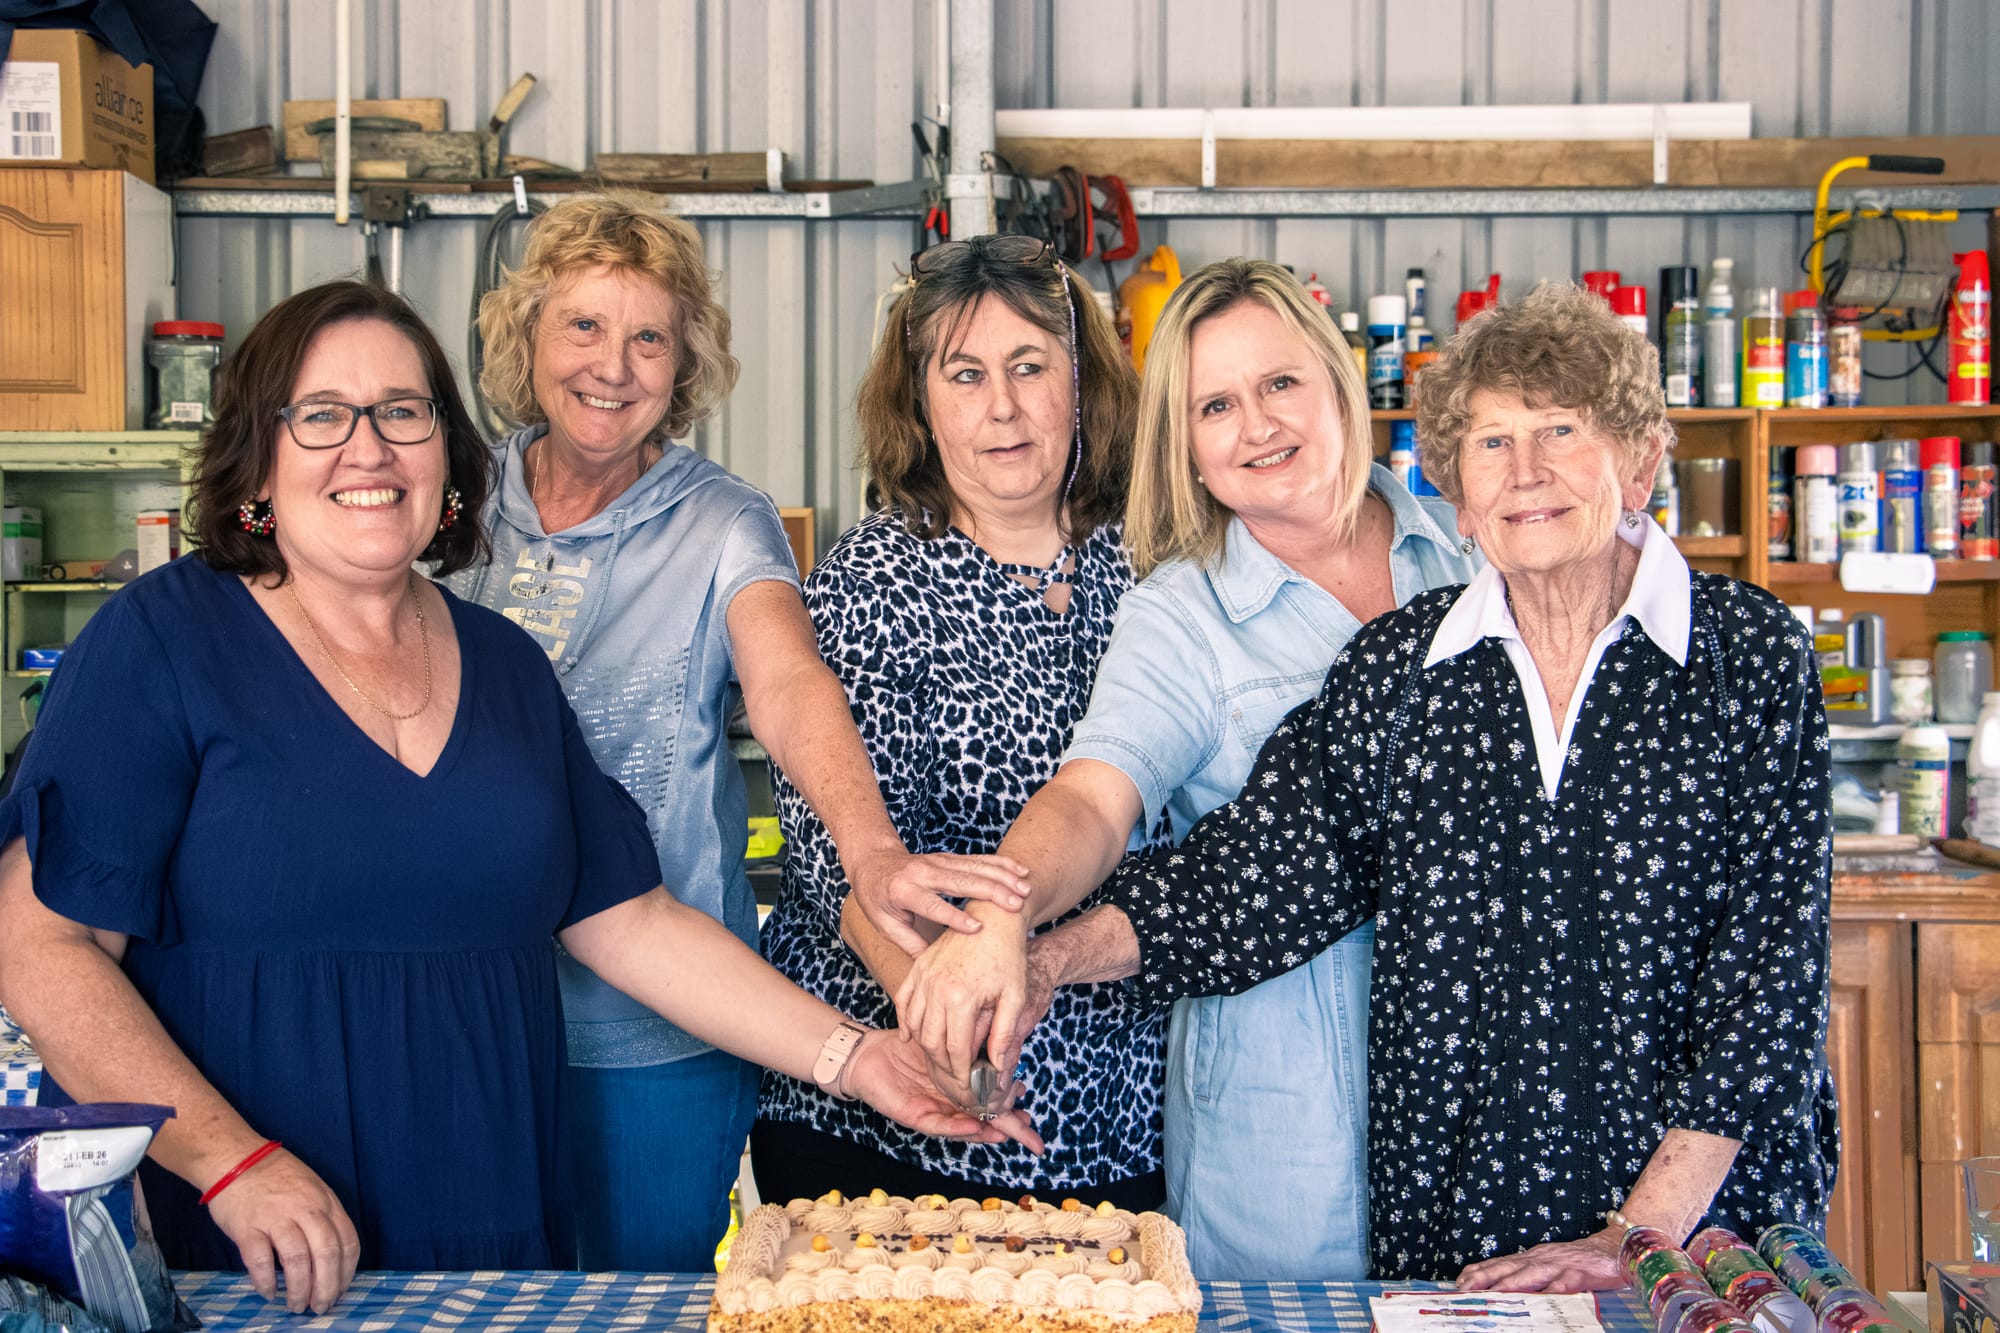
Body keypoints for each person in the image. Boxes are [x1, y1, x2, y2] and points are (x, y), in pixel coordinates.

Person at [0, 281, 1039, 1314]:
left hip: (481, 1204)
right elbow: (40, 946)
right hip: (241, 1234)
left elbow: (626, 919)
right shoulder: (163, 642)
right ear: (255, 461)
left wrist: (857, 1062)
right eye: (320, 415)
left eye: (402, 413)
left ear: (446, 458)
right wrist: (229, 1163)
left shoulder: (500, 667)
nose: (367, 447)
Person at [956, 281, 1837, 1286]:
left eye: (1560, 430)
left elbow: (1768, 979)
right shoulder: (1403, 668)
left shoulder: (1746, 657)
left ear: (1638, 460)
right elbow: (1252, 880)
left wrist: (1630, 1238)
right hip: (1463, 1225)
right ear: (1456, 495)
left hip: (1690, 1237)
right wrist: (1045, 960)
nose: (1527, 472)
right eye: (1492, 445)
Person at [446, 196, 1029, 1271]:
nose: (611, 367)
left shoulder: (722, 519)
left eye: (647, 338)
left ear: (686, 364)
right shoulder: (450, 497)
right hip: (462, 1008)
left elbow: (787, 677)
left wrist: (871, 852)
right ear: (525, 336)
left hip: (657, 1029)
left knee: (641, 1295)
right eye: (582, 326)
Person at [889, 258, 1480, 1278]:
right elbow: (1092, 794)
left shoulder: (1476, 555)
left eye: (1279, 383)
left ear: (1338, 381)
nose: (1256, 425)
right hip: (1286, 1126)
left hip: (1486, 1099)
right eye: (1215, 404)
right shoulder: (1181, 613)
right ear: (1188, 448)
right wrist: (1003, 918)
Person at [754, 234, 1166, 1208]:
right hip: (890, 1106)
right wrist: (943, 1019)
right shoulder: (875, 578)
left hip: (1118, 1108)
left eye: (1029, 367)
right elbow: (832, 865)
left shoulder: (1154, 568)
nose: (1002, 407)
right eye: (966, 374)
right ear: (919, 402)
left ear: (1081, 382)